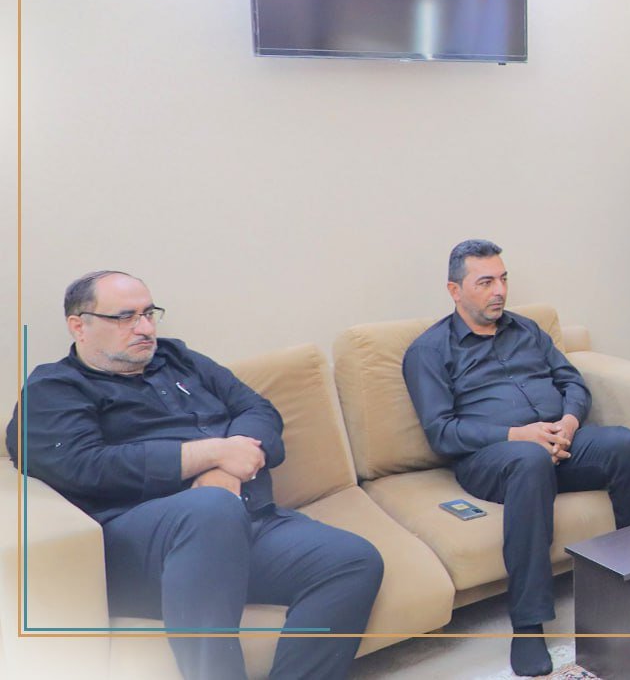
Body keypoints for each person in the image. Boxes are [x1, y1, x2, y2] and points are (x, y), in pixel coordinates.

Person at [6, 271, 384, 680]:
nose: (145, 328)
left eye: (149, 313)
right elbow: (83, 465)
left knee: (351, 560)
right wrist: (211, 453)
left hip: (243, 521)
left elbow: (258, 409)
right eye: (125, 317)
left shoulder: (178, 358)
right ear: (79, 325)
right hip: (143, 546)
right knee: (210, 509)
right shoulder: (54, 388)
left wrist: (225, 469)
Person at [402, 240, 630, 677]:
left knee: (624, 444)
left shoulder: (527, 330)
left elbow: (572, 382)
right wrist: (518, 435)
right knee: (529, 460)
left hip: (559, 443)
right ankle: (528, 625)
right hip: (491, 459)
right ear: (454, 290)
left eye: (503, 279)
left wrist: (568, 423)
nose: (499, 291)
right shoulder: (429, 352)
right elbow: (442, 433)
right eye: (485, 282)